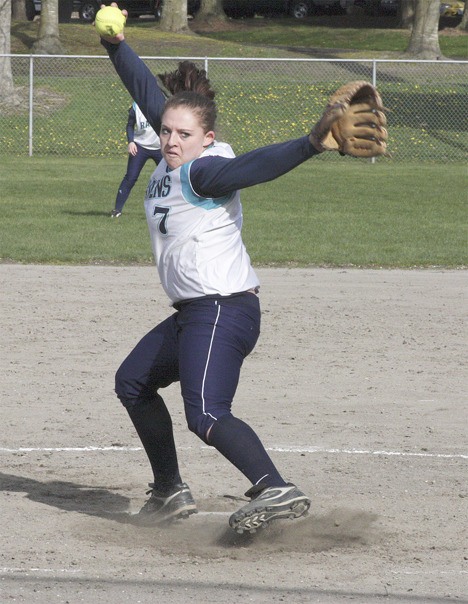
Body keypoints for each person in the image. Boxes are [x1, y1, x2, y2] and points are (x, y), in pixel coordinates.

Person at [98, 4, 384, 534]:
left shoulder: (204, 170)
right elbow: (145, 91)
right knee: (133, 381)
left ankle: (274, 486)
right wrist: (116, 46)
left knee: (205, 413)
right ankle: (168, 491)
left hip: (221, 309)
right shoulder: (171, 158)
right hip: (194, 312)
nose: (171, 140)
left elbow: (252, 167)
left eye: (183, 133)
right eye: (166, 132)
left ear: (206, 137)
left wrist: (310, 143)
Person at [110, 101, 162, 218]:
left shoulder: (161, 104)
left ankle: (174, 210)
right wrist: (131, 141)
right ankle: (117, 209)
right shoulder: (136, 107)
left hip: (160, 148)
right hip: (140, 147)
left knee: (172, 177)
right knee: (130, 177)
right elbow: (130, 125)